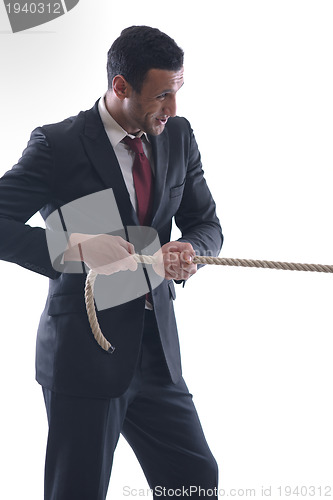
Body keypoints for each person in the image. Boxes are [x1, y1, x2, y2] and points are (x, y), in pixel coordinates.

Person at [0, 26, 223, 499]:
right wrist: (72, 248)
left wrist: (191, 253)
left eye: (177, 92)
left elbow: (206, 224)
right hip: (83, 353)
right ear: (121, 86)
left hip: (158, 352)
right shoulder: (57, 145)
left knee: (196, 480)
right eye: (162, 95)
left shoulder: (178, 136)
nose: (174, 108)